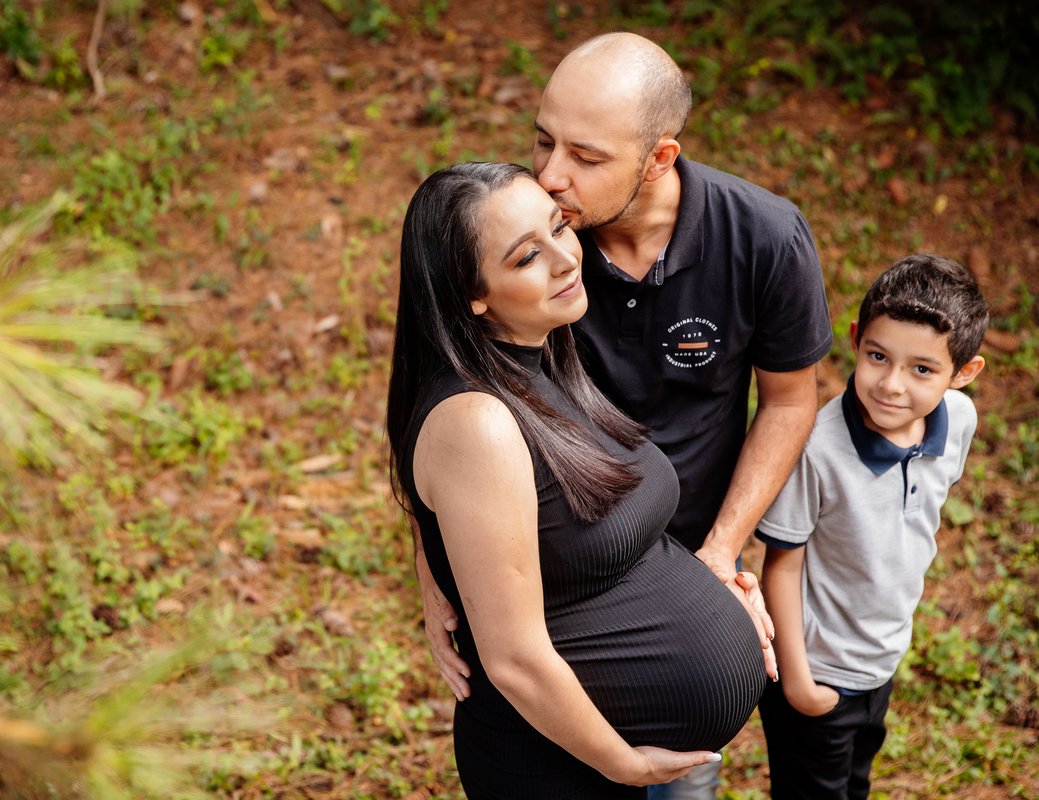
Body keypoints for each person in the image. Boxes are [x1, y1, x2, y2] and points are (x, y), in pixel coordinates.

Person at [414, 32, 833, 798]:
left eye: (586, 156)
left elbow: (790, 400)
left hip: (690, 544)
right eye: (543, 141)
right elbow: (447, 395)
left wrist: (720, 554)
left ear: (660, 159)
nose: (550, 176)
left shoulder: (764, 237)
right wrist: (434, 557)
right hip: (554, 567)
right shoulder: (531, 247)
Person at [388, 162, 767, 798]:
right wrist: (624, 764)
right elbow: (514, 659)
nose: (567, 258)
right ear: (471, 295)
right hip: (560, 770)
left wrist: (713, 585)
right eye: (527, 257)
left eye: (561, 227)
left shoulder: (546, 357)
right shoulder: (478, 421)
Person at [756, 254, 987, 799]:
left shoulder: (960, 421)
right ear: (856, 339)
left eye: (922, 369)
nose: (891, 384)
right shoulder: (817, 447)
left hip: (880, 660)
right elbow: (782, 564)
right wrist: (798, 683)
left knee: (855, 784)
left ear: (964, 373)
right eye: (878, 356)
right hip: (818, 670)